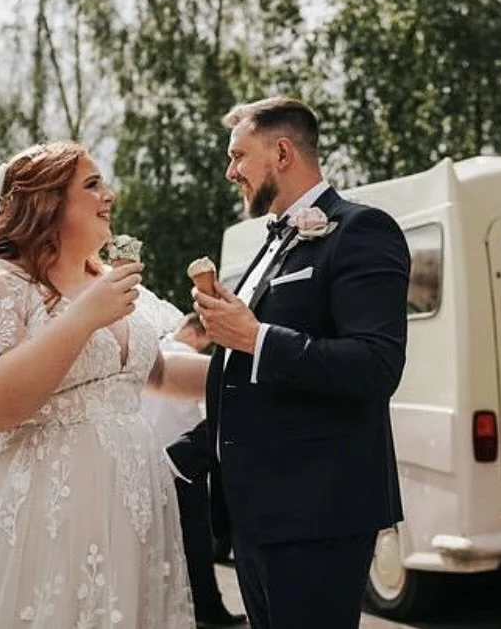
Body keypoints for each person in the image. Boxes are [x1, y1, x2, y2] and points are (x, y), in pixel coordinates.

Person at [0, 141, 208, 629]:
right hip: (36, 512)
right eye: (92, 184)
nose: (109, 195)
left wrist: (251, 367)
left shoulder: (108, 281)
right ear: (46, 202)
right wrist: (81, 319)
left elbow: (157, 373)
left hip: (127, 509)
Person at [168, 97, 411, 629]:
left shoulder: (362, 230)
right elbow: (251, 386)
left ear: (282, 153)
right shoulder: (273, 241)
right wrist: (182, 455)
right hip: (257, 518)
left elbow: (376, 364)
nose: (230, 171)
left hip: (318, 513)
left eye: (238, 156)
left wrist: (255, 337)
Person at [140, 313, 247, 628]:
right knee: (195, 541)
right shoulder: (194, 362)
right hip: (184, 465)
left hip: (145, 459)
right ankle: (207, 608)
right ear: (198, 333)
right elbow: (211, 411)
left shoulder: (151, 349)